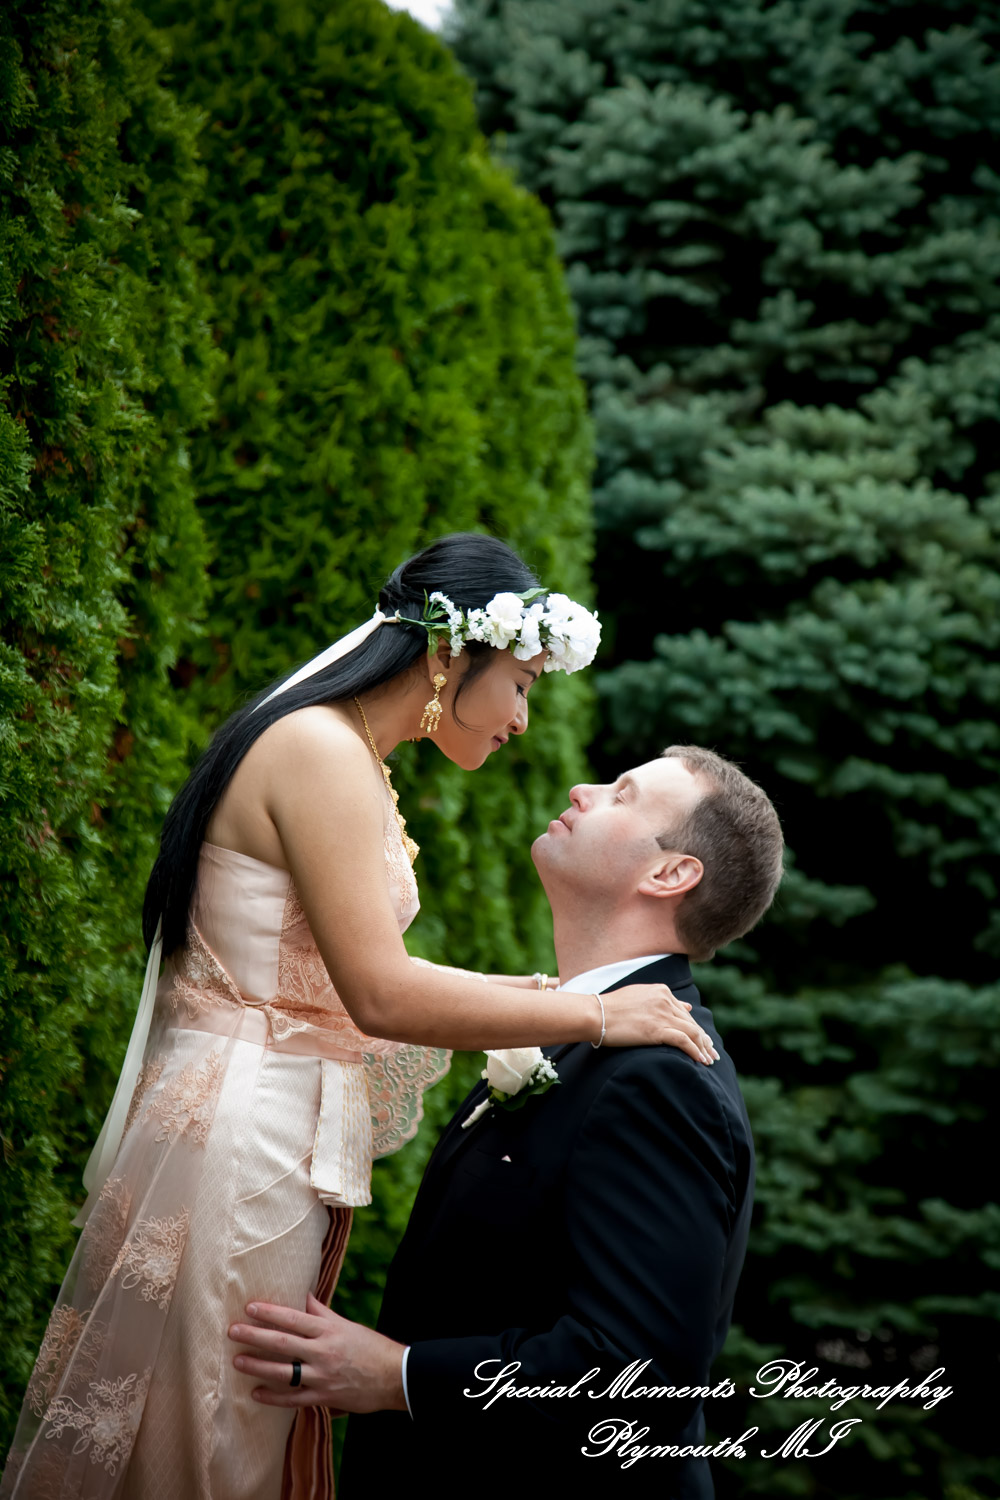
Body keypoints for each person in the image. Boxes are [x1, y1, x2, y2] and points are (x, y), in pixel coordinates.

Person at [2, 534, 715, 1500]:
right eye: (519, 683)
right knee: (212, 1434)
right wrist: (591, 1014)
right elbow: (378, 992)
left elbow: (354, 978)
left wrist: (543, 1001)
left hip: (264, 1126)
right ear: (450, 654)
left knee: (229, 1423)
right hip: (244, 1135)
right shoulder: (319, 749)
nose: (521, 718)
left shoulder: (344, 754)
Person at [227, 745, 785, 1498]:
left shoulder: (660, 1079)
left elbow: (635, 1380)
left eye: (622, 795)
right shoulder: (581, 1034)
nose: (581, 789)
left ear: (669, 874)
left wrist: (395, 1375)